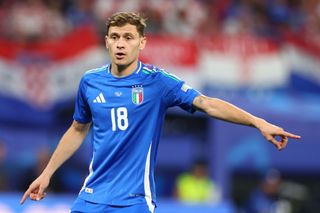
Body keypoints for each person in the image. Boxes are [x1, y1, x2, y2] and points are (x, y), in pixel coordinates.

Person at [20, 12, 301, 213]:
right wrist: (47, 173)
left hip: (134, 200)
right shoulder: (90, 81)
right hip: (91, 197)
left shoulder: (158, 82)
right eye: (115, 37)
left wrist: (257, 121)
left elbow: (207, 103)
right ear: (106, 41)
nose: (121, 43)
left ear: (141, 43)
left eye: (128, 37)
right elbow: (78, 129)